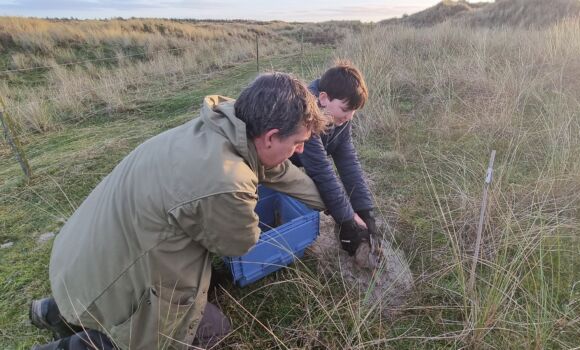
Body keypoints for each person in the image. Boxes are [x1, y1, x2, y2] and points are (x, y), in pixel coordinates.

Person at [29, 72, 329, 350]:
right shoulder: (227, 182)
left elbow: (278, 171)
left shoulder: (220, 126)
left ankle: (51, 312)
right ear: (271, 137)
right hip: (113, 279)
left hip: (78, 258)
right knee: (211, 332)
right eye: (298, 143)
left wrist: (337, 205)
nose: (301, 151)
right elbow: (240, 244)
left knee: (98, 291)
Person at [289, 60, 377, 256]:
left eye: (354, 111)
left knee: (330, 198)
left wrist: (365, 209)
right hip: (276, 161)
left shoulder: (339, 117)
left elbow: (347, 161)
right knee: (315, 193)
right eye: (345, 110)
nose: (350, 117)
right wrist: (346, 220)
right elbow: (320, 169)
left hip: (300, 161)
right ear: (323, 98)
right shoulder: (305, 113)